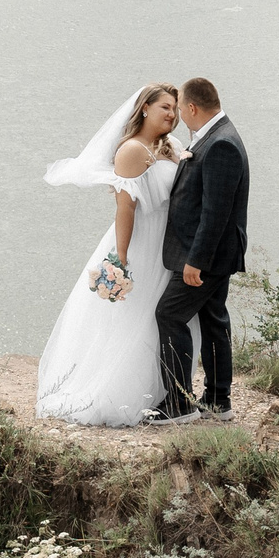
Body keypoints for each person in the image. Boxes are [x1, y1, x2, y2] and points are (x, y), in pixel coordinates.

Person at [31, 84, 187, 426]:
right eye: (165, 107)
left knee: (159, 316)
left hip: (168, 240)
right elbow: (125, 208)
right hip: (142, 239)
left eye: (175, 109)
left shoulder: (172, 146)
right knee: (134, 316)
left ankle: (164, 392)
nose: (172, 115)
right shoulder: (131, 150)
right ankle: (119, 391)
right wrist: (122, 257)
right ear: (144, 108)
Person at [151, 78, 250, 423]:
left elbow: (215, 212)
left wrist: (196, 260)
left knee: (170, 314)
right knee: (213, 319)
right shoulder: (215, 136)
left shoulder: (221, 144)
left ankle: (179, 404)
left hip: (207, 257)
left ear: (191, 108)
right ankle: (218, 401)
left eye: (179, 110)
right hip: (213, 254)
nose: (178, 117)